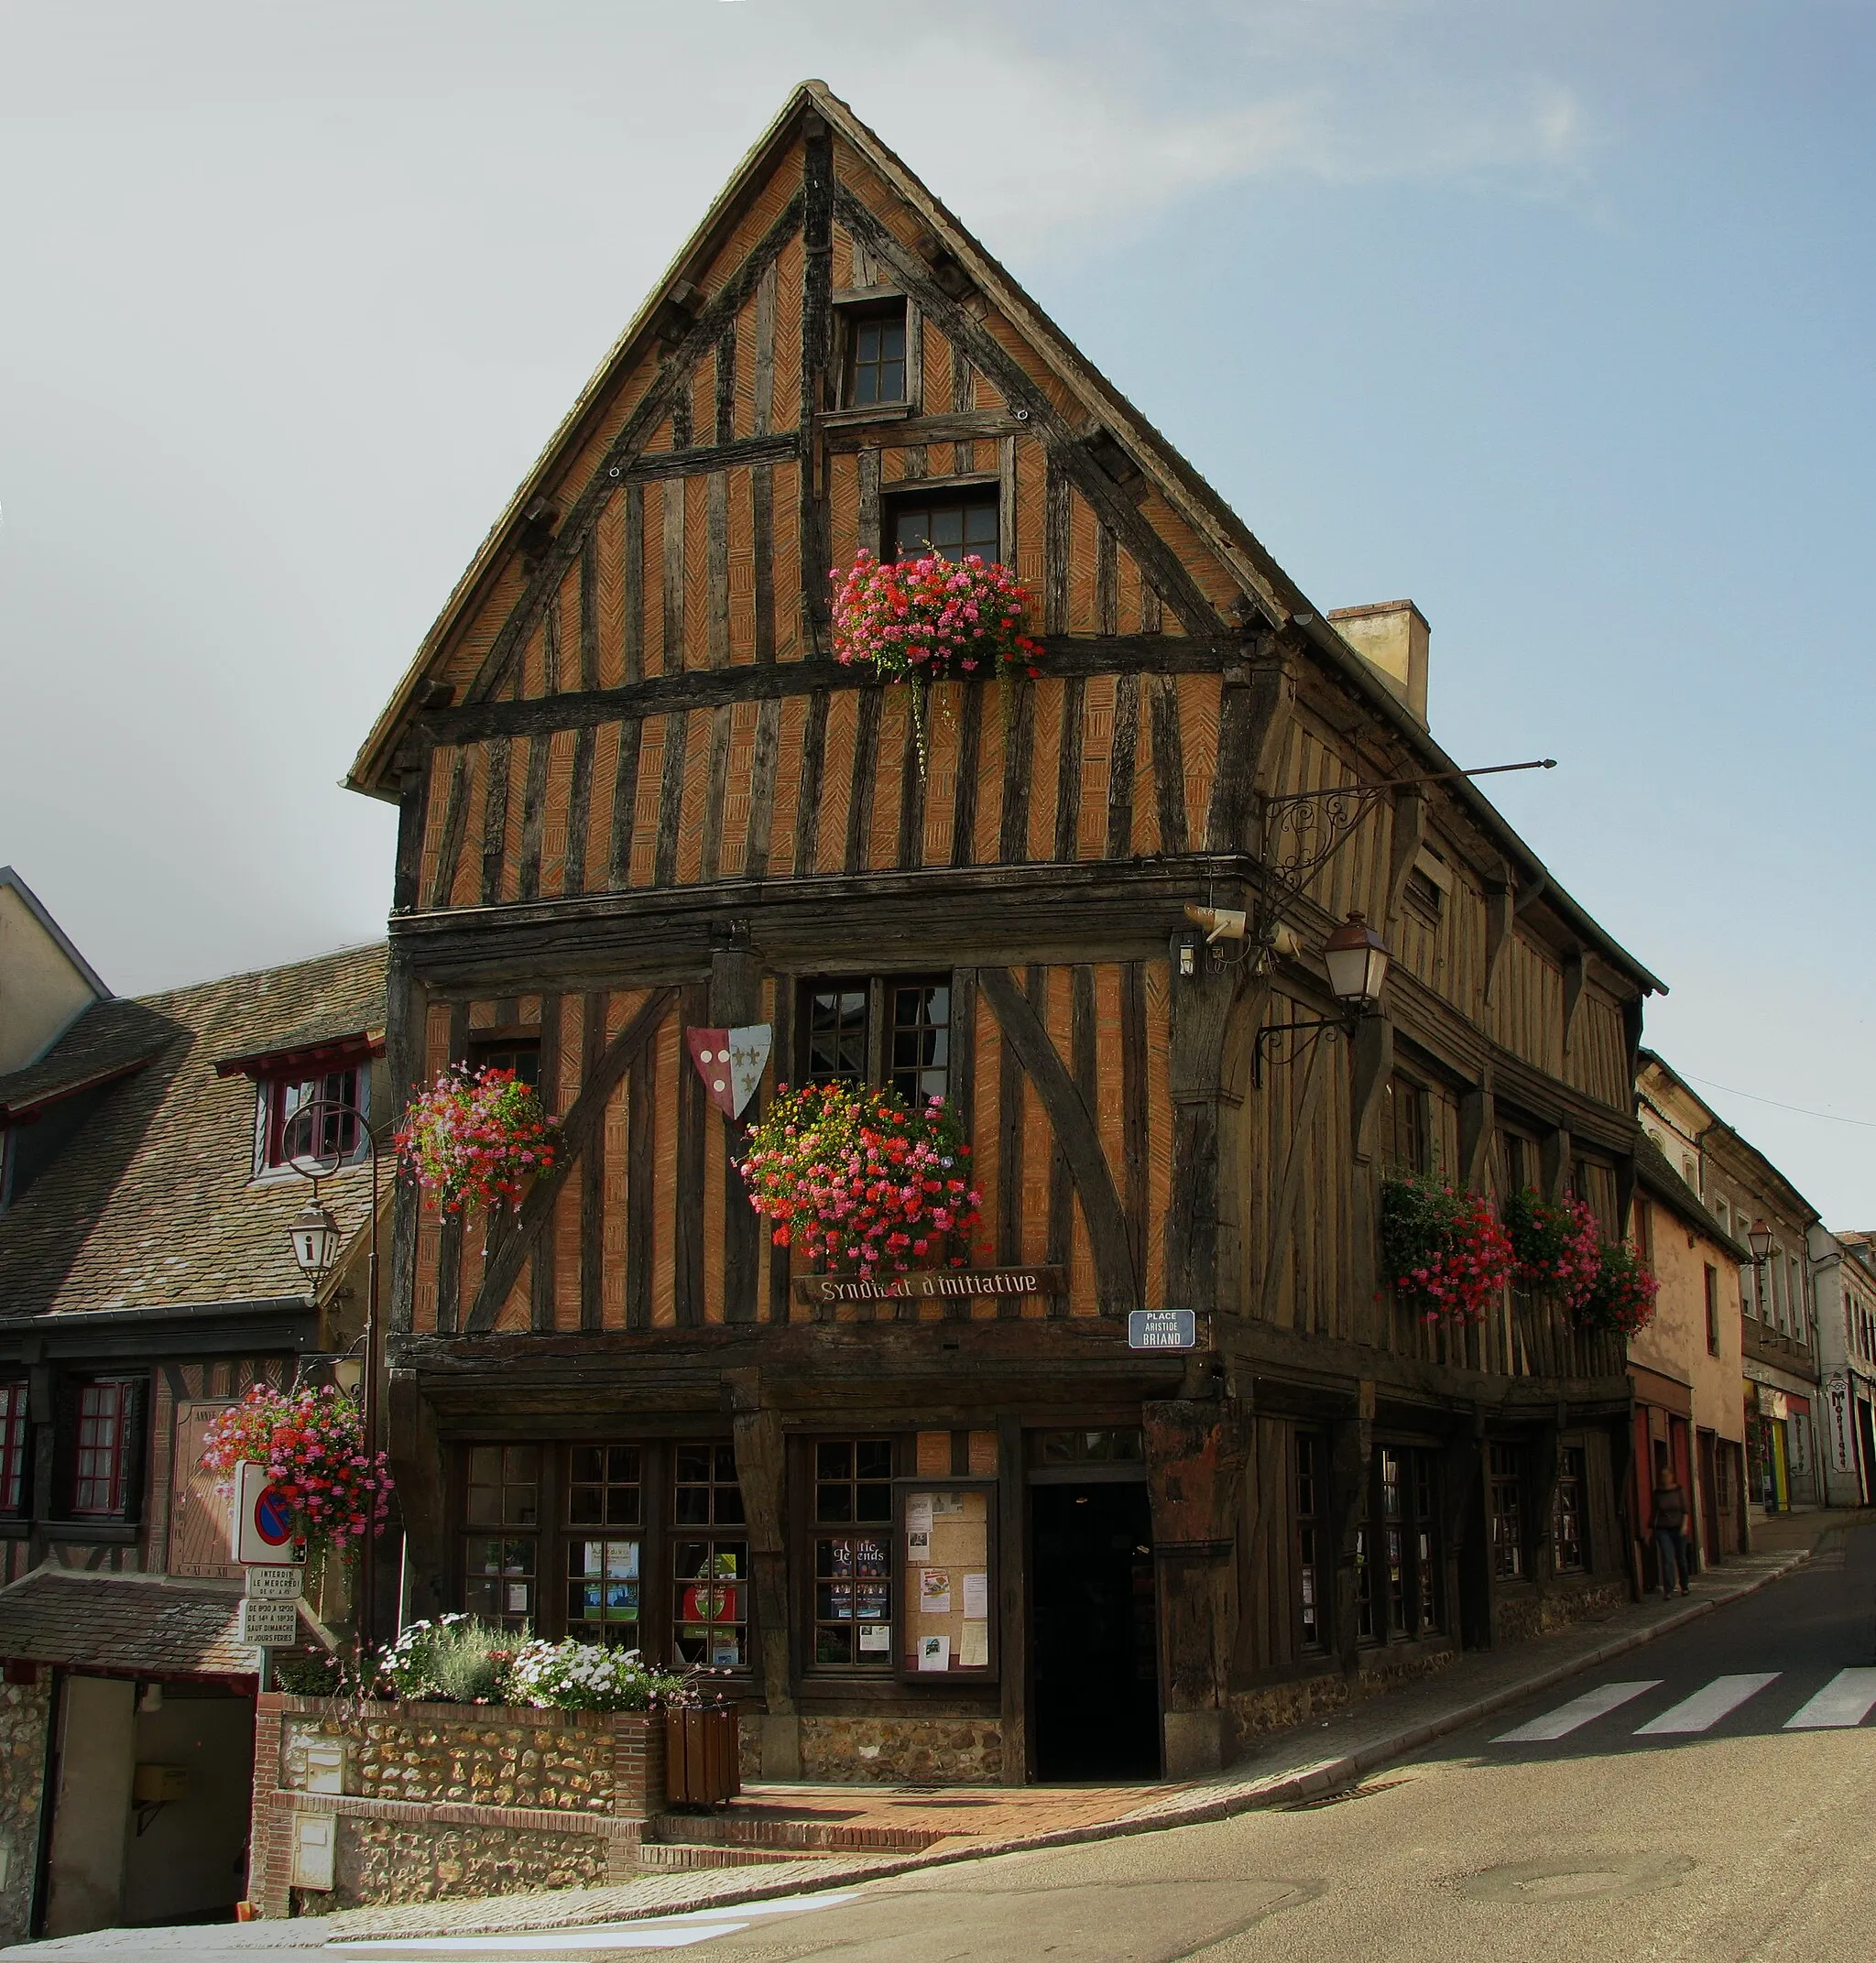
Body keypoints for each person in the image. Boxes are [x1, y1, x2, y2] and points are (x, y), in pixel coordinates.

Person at [1652, 1465, 1691, 1598]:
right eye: (1662, 1476)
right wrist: (1652, 1528)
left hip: (1678, 1527)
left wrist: (1684, 1526)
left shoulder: (1679, 1491)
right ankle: (1669, 1590)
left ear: (1672, 1476)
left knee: (1681, 1558)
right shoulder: (1657, 1493)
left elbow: (1685, 1510)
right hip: (1663, 1529)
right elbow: (1654, 1512)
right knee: (1668, 1559)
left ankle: (1684, 1586)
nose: (1665, 1478)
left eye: (1667, 1475)